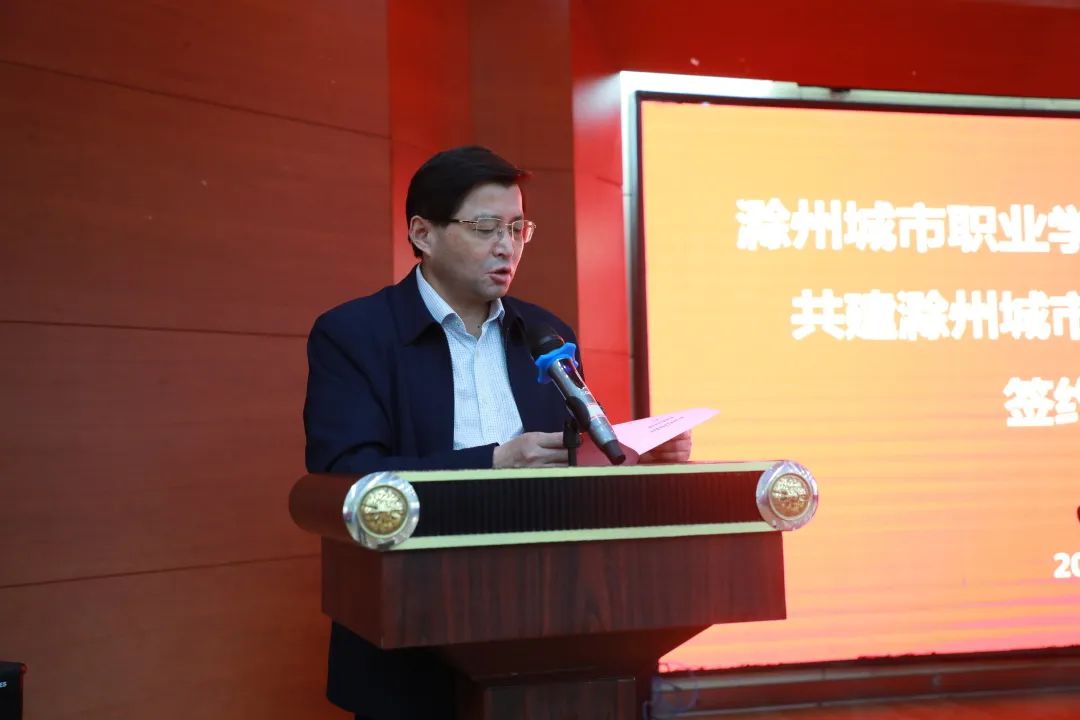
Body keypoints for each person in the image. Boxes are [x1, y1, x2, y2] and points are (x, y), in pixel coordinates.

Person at [303, 145, 690, 720]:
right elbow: (347, 477)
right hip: (412, 623)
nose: (507, 246)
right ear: (423, 233)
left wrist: (634, 455)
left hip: (551, 618)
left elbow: (570, 456)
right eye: (486, 228)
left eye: (517, 228)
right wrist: (493, 462)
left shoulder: (545, 333)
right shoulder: (355, 334)